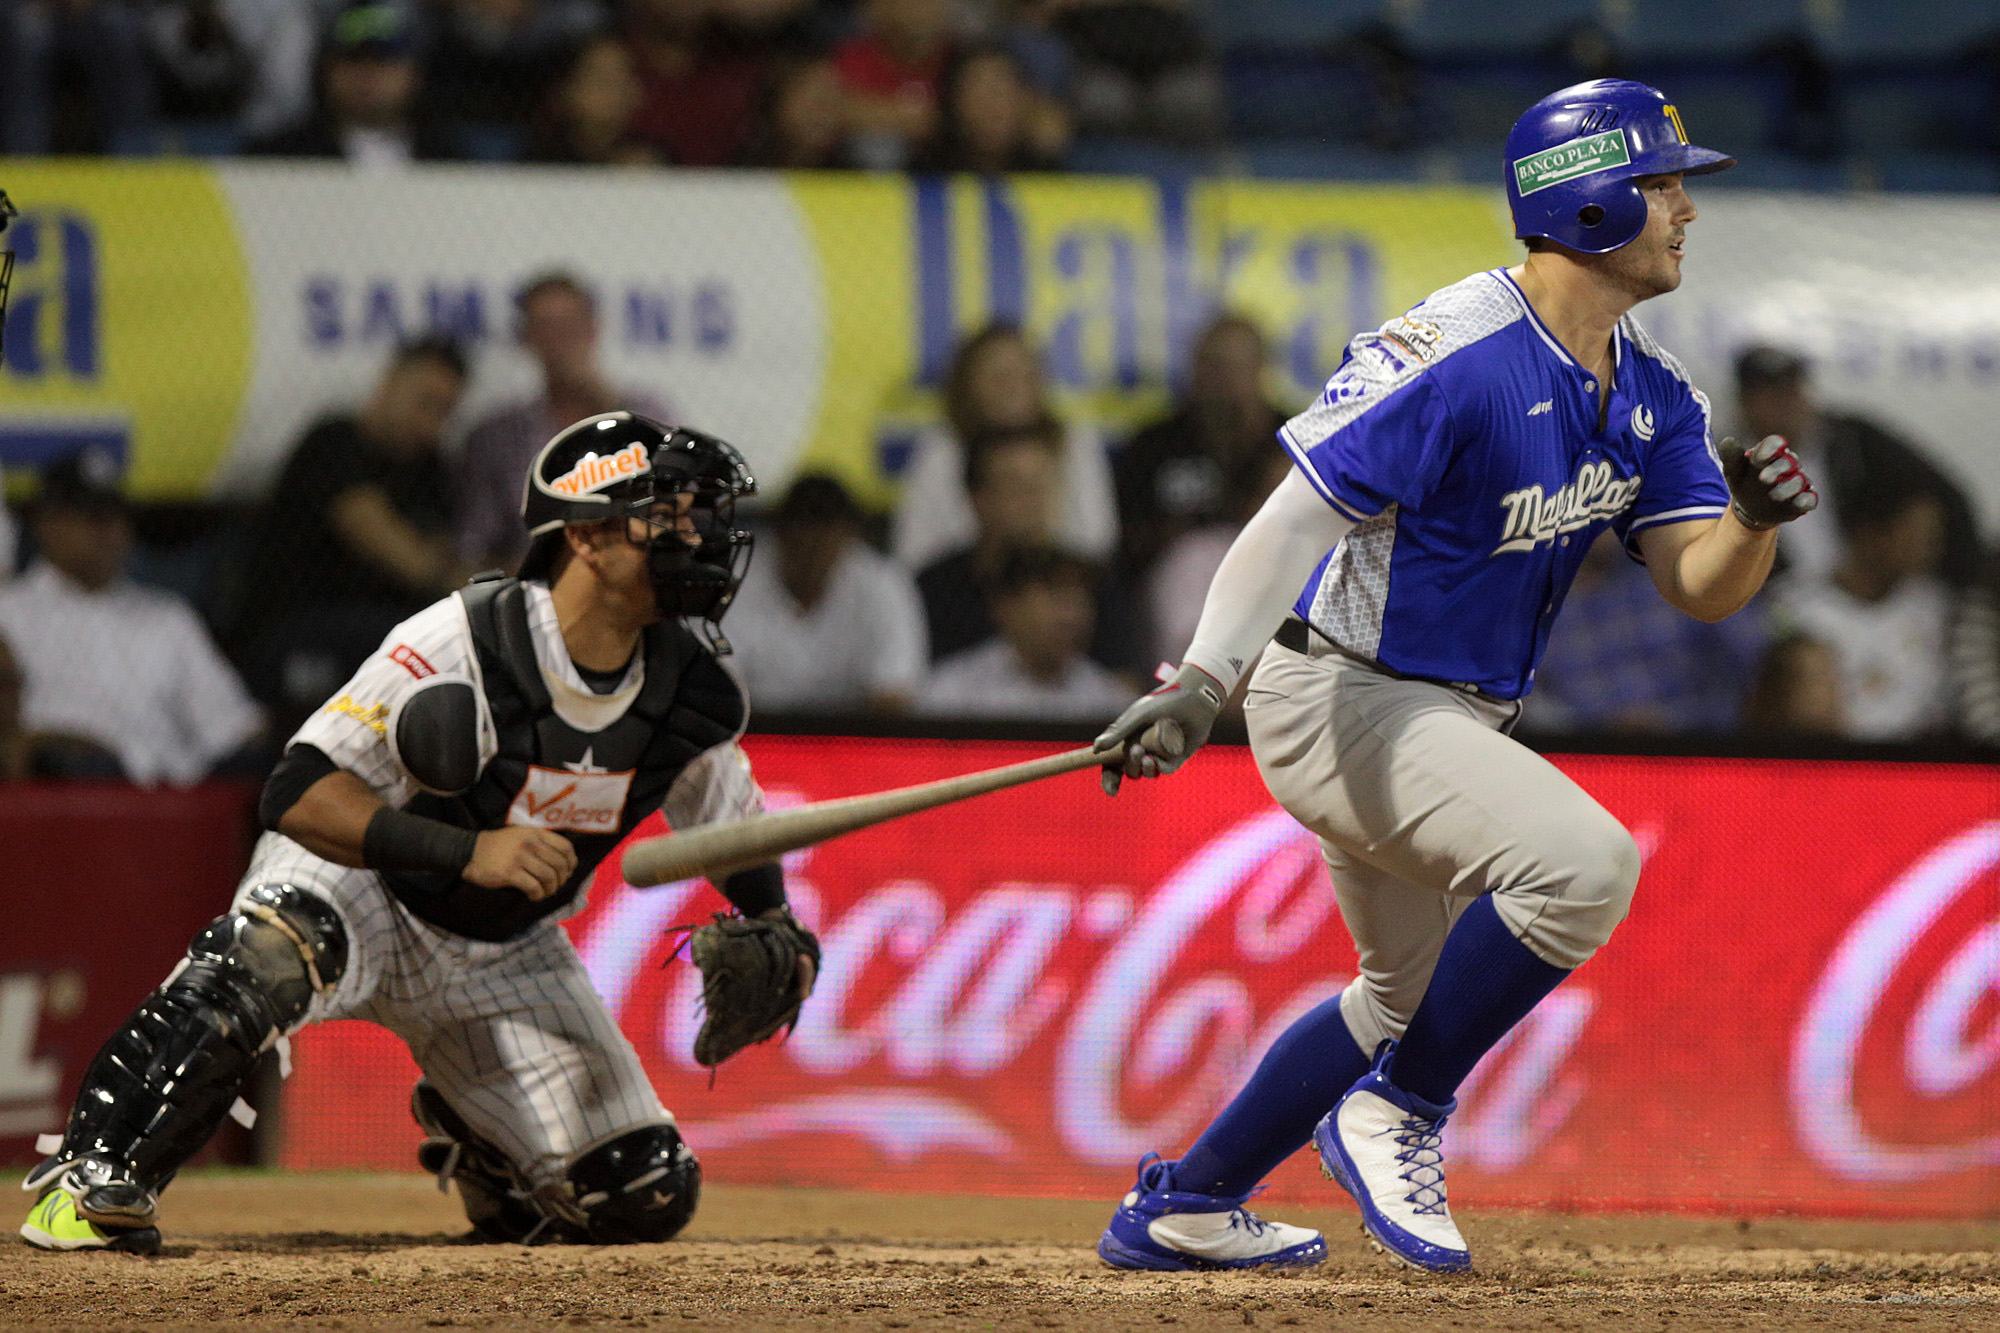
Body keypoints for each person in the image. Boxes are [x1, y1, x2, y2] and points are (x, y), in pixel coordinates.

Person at [1089, 79, 1817, 1275]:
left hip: (1440, 712)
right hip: (1343, 693)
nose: (1684, 208)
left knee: (1394, 996)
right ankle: (1401, 1108)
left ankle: (1184, 1200)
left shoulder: (1651, 391)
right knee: (1584, 865)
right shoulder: (1453, 349)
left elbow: (1696, 582)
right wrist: (1198, 681)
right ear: (1583, 205)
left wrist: (1746, 520)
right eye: (1661, 183)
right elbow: (1287, 524)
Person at [19, 412, 816, 1253]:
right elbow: (297, 791)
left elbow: (731, 828)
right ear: (586, 534)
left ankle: (489, 1150)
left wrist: (777, 920)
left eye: (698, 510)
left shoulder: (694, 689)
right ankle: (91, 1180)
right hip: (358, 887)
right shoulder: (463, 638)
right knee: (263, 957)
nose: (698, 531)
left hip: (504, 950)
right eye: (670, 510)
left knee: (642, 1191)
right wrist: (467, 850)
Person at [235, 336, 472, 721]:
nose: (430, 421)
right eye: (424, 402)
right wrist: (477, 583)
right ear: (390, 383)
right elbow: (401, 554)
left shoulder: (431, 469)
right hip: (301, 627)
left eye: (444, 411)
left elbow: (445, 555)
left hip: (388, 630)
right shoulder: (334, 443)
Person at [0, 449, 264, 786]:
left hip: (166, 800)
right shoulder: (8, 612)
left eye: (118, 517)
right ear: (48, 524)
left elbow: (234, 728)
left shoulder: (167, 617)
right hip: (57, 795)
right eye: (94, 518)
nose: (111, 531)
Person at [456, 272, 671, 571]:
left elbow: (679, 501)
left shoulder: (646, 413)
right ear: (526, 339)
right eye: (546, 328)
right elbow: (474, 544)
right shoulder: (497, 436)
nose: (560, 341)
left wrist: (607, 403)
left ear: (594, 330)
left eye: (571, 326)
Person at [1733, 344, 1981, 589]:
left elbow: (1941, 496)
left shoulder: (1853, 440)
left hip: (1880, 594)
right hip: (1778, 607)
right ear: (1744, 402)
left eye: (1791, 390)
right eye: (1769, 395)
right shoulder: (1724, 467)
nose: (1784, 404)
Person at [891, 321, 1116, 571]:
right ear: (967, 385)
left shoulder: (1074, 441)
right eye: (1000, 378)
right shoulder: (943, 449)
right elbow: (916, 552)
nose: (1014, 388)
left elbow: (1096, 543)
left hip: (1057, 585)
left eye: (1025, 374)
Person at [1772, 455, 1954, 740]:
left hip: (1925, 771)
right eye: (1917, 535)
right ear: (1870, 535)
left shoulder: (1937, 609)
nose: (1930, 549)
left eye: (1934, 537)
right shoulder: (1793, 608)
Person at [724, 472, 928, 715]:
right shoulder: (732, 583)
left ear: (848, 537)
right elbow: (715, 696)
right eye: (803, 538)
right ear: (779, 535)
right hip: (752, 743)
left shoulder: (882, 584)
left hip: (852, 746)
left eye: (824, 540)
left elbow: (895, 698)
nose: (812, 554)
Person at [1114, 312, 1290, 583]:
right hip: (1180, 583)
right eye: (1216, 367)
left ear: (1262, 370)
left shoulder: (1298, 441)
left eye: (1238, 368)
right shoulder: (1153, 446)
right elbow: (1127, 540)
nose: (1227, 382)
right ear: (1195, 369)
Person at [916, 542, 1127, 721]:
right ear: (1006, 605)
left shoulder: (1110, 701)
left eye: (1080, 599)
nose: (1071, 616)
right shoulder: (951, 693)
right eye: (1056, 597)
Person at [246, 0, 458, 165]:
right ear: (326, 71)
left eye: (384, 62)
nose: (368, 74)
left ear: (414, 74)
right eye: (353, 60)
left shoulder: (452, 159)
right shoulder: (280, 156)